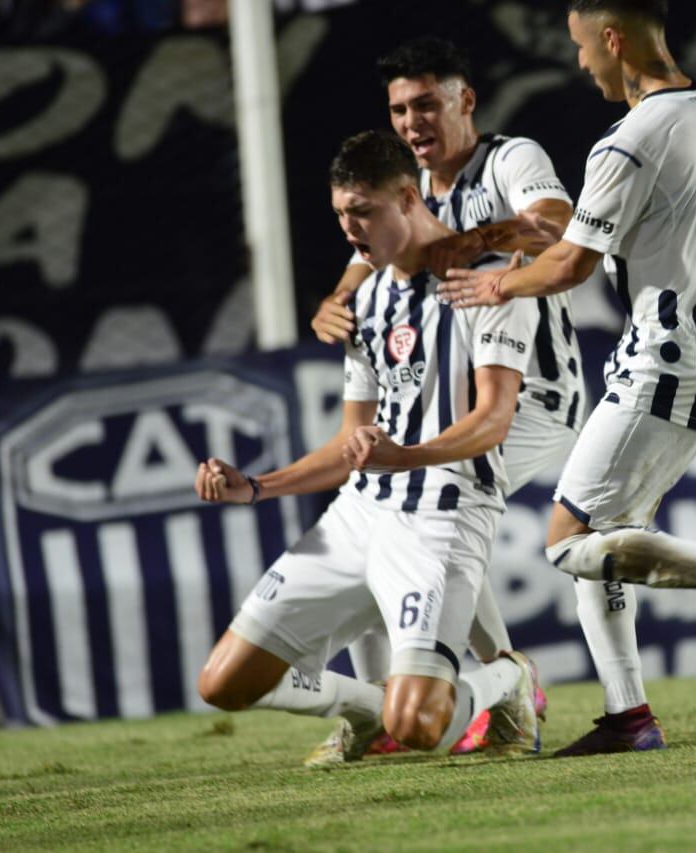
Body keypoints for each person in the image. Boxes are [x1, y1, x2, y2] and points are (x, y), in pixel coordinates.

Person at [440, 0, 696, 755]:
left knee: (565, 540)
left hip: (666, 360)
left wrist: (496, 285)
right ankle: (630, 714)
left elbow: (571, 263)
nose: (580, 62)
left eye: (583, 45)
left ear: (613, 40)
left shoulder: (630, 140)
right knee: (608, 536)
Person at [308, 36, 666, 759]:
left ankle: (505, 688)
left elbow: (559, 226)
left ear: (464, 101)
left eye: (426, 104)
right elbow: (354, 272)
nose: (412, 121)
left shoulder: (509, 158)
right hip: (455, 403)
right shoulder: (409, 188)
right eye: (399, 109)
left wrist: (462, 247)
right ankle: (405, 714)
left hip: (538, 399)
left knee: (426, 500)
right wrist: (332, 306)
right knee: (389, 507)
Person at [194, 129, 543, 763]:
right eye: (339, 214)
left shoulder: (489, 282)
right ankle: (366, 710)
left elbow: (492, 422)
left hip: (444, 513)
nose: (349, 228)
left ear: (408, 197)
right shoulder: (366, 298)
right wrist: (257, 486)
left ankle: (510, 678)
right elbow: (347, 443)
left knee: (424, 728)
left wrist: (403, 456)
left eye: (362, 211)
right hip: (361, 512)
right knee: (223, 683)